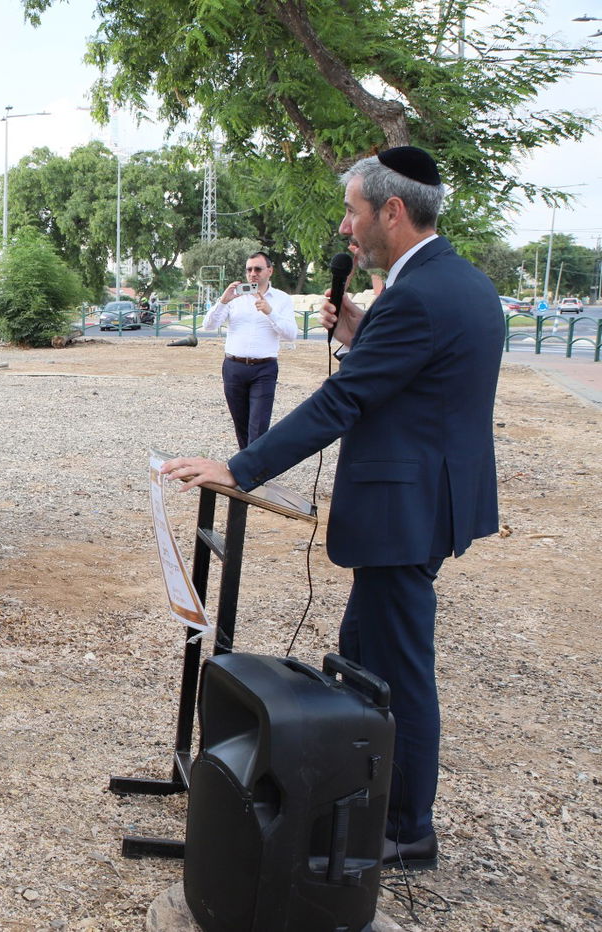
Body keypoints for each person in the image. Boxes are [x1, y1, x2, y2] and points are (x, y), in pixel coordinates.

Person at [162, 146, 504, 870]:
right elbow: (418, 383)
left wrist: (242, 466)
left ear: (392, 211)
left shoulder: (415, 295)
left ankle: (406, 828)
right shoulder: (460, 282)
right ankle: (361, 802)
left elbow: (348, 399)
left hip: (405, 510)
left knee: (399, 671)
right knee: (367, 654)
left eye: (353, 211)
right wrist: (360, 332)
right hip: (428, 502)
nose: (346, 228)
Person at [204, 251, 298, 449]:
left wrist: (270, 311)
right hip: (233, 367)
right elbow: (209, 326)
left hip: (264, 369)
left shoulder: (281, 299)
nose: (253, 273)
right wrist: (223, 301)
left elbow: (291, 334)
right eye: (249, 269)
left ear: (269, 271)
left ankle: (252, 473)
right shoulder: (234, 298)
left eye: (258, 269)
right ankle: (244, 469)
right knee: (241, 424)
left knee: (258, 425)